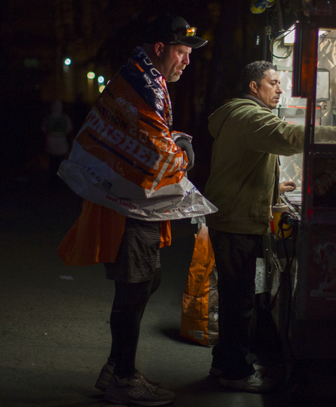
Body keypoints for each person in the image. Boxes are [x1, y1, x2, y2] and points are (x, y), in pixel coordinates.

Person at [56, 14, 212, 407]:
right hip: (129, 206)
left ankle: (117, 367)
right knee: (135, 286)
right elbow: (155, 150)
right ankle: (123, 378)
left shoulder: (143, 77)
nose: (187, 60)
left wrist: (174, 145)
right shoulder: (143, 84)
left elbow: (147, 136)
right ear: (160, 48)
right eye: (181, 52)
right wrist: (184, 155)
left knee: (146, 282)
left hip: (129, 202)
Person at [203, 60, 336, 393]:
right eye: (273, 83)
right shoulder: (250, 116)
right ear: (254, 87)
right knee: (240, 300)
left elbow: (241, 167)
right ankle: (235, 372)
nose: (279, 89)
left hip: (234, 215)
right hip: (236, 221)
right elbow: (288, 136)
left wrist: (275, 188)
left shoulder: (237, 114)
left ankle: (224, 362)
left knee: (237, 298)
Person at [40, 99, 73, 179]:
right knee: (60, 162)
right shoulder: (65, 118)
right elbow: (69, 130)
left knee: (52, 162)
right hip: (61, 142)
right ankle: (58, 181)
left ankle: (52, 180)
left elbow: (43, 130)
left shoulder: (48, 118)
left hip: (50, 141)